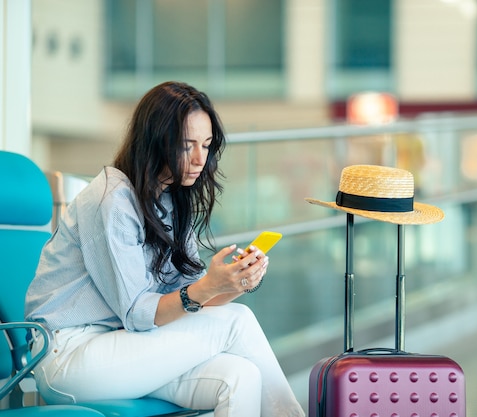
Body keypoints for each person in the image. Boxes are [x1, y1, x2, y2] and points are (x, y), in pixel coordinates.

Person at [25, 81, 305, 417]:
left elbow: (186, 302)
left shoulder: (170, 199)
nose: (201, 159)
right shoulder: (111, 198)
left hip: (128, 348)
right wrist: (207, 287)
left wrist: (234, 283)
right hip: (69, 357)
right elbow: (139, 313)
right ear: (155, 141)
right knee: (237, 322)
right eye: (188, 146)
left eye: (206, 144)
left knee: (241, 375)